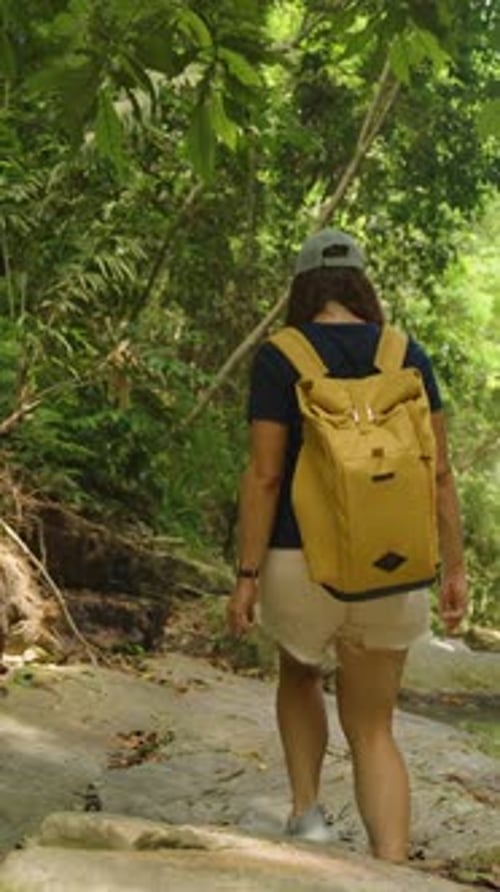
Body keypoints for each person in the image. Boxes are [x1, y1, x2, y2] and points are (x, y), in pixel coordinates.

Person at [226, 228, 468, 863]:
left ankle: (307, 815)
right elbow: (440, 472)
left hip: (299, 562)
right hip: (395, 572)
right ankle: (390, 864)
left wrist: (246, 574)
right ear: (363, 285)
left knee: (299, 672)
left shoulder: (283, 355)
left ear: (303, 288)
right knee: (375, 727)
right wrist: (454, 571)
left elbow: (266, 475)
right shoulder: (405, 352)